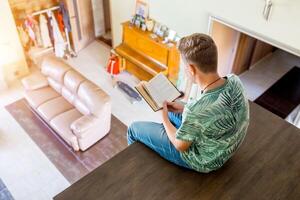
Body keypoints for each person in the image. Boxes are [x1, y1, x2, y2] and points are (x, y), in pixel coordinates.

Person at [127, 33, 250, 173]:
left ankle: (136, 172)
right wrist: (182, 108)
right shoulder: (234, 80)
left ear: (191, 69)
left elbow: (180, 145)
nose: (185, 71)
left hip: (206, 160)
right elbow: (208, 111)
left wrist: (164, 117)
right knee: (175, 109)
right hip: (227, 146)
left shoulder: (196, 110)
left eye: (184, 67)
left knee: (133, 129)